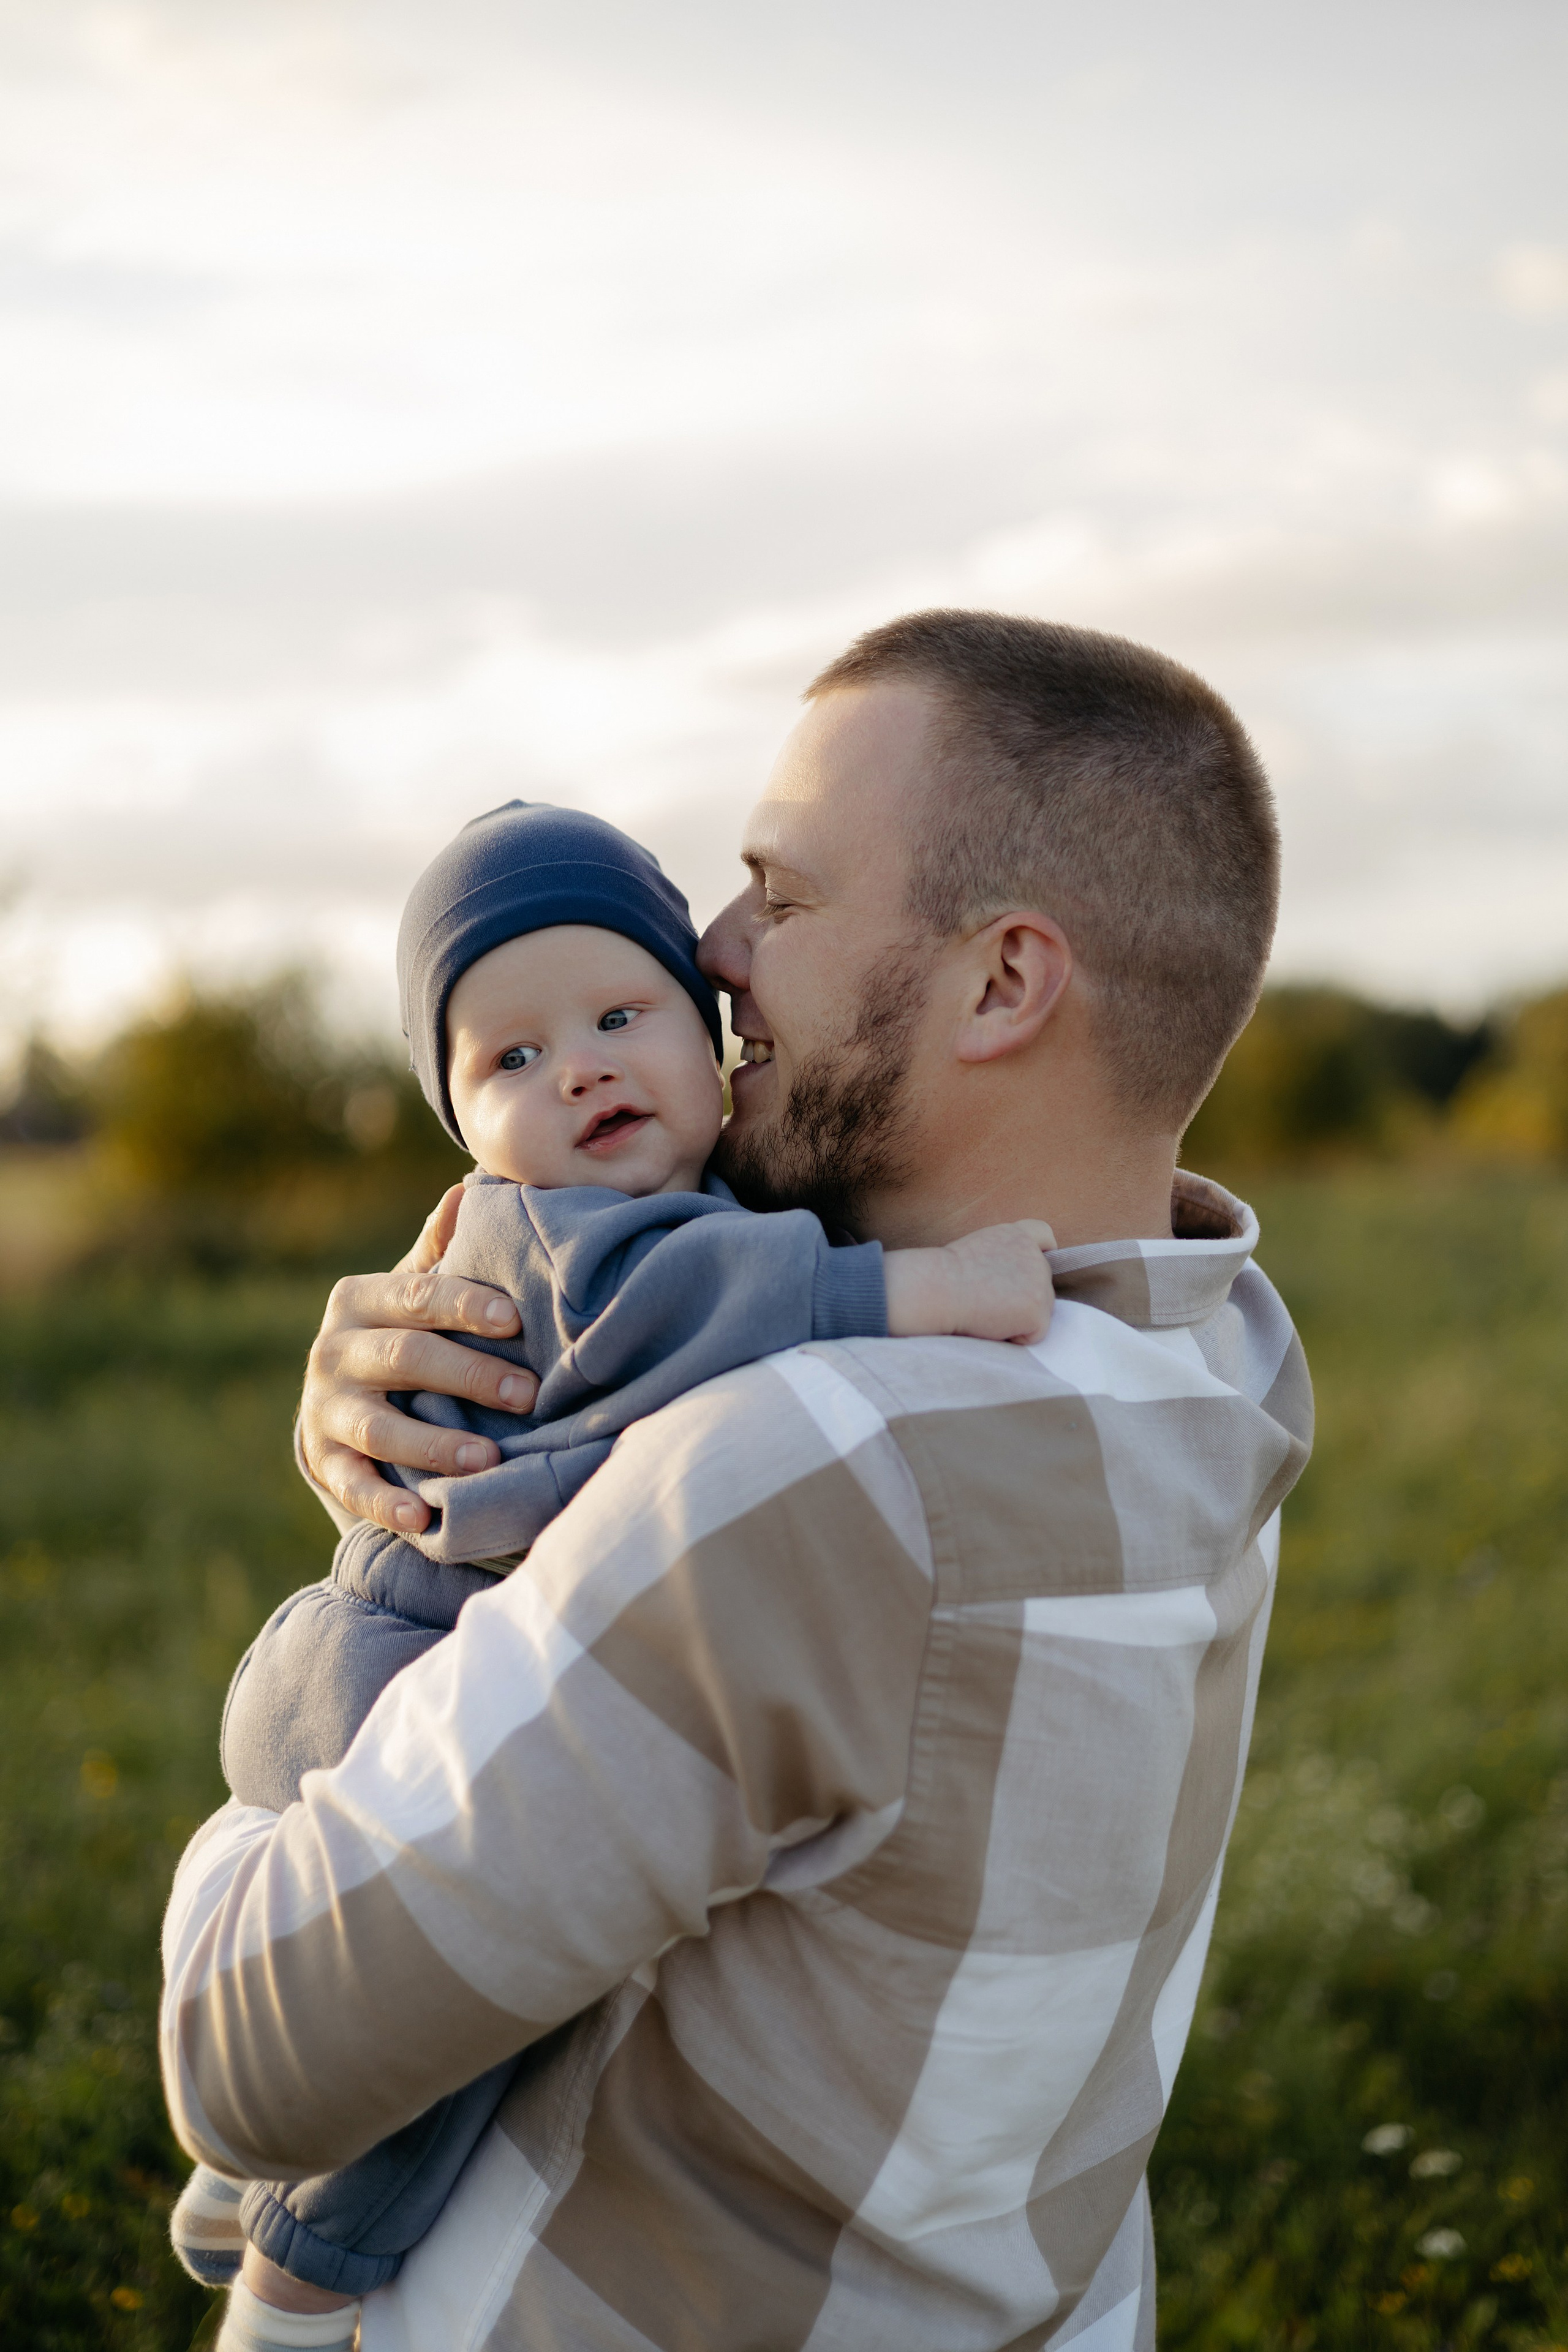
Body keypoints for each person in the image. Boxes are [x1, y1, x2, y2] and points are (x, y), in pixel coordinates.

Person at [162, 609, 1313, 2352]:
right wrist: (493, 1385)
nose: (713, 942)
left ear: (1002, 982)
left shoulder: (809, 1474)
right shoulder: (1219, 1352)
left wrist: (365, 1577)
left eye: (783, 892)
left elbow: (241, 2059)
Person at [170, 797, 1055, 2348]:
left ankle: (256, 2184)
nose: (574, 1065)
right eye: (507, 1059)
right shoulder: (562, 1242)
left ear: (713, 1050)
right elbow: (683, 1308)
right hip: (392, 1663)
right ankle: (297, 2278)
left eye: (618, 1015)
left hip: (399, 1639)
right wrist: (924, 1286)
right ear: (458, 1133)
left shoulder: (696, 1201)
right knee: (463, 2016)